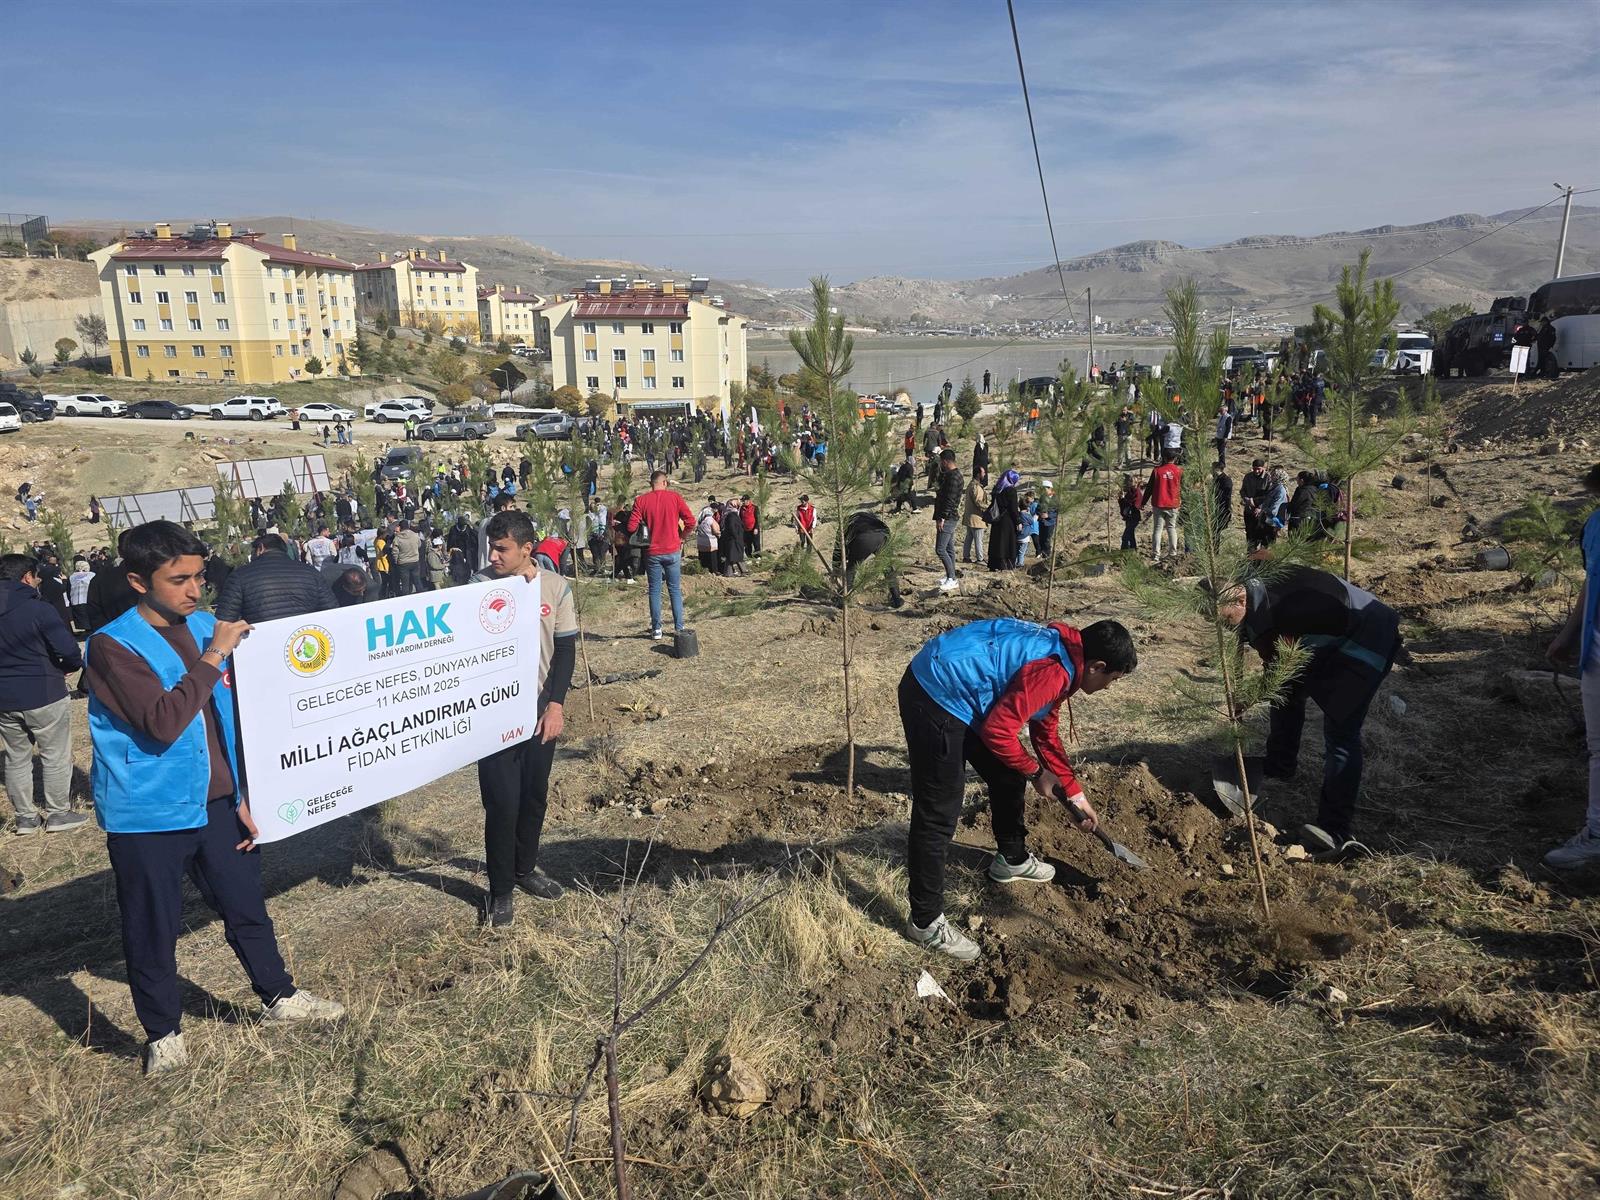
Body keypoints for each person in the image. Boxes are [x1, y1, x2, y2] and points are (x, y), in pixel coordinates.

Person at [85, 520, 344, 1075]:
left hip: (218, 804)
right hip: (148, 812)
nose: (195, 590)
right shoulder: (111, 646)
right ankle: (164, 1033)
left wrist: (247, 792)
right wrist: (211, 658)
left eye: (199, 576)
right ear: (138, 581)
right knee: (152, 925)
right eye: (178, 580)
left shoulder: (208, 626)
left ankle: (279, 996)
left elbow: (233, 718)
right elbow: (162, 722)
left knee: (246, 905)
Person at [898, 617, 1137, 958]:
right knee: (939, 811)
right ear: (1097, 666)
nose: (1110, 687)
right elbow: (998, 731)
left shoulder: (1066, 654)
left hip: (964, 688)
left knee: (1008, 775)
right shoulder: (1054, 669)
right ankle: (924, 922)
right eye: (1112, 680)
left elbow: (1045, 731)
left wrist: (1074, 793)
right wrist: (1037, 772)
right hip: (935, 691)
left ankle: (1011, 859)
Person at [1216, 566, 1402, 860]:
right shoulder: (1255, 592)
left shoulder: (1288, 611)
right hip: (1326, 634)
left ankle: (1335, 828)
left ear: (1240, 601)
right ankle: (1280, 763)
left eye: (1224, 620)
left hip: (1367, 636)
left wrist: (1249, 698)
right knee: (1286, 695)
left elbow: (1282, 667)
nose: (1224, 628)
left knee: (1341, 732)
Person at [472, 509, 578, 926]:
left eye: (502, 549)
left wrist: (555, 705)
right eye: (491, 548)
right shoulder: (476, 587)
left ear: (527, 550)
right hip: (494, 714)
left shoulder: (555, 588)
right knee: (502, 803)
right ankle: (500, 891)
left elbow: (565, 650)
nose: (493, 556)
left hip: (539, 709)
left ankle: (525, 867)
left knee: (534, 796)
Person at [0, 554, 87, 834]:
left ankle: (26, 818)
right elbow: (68, 650)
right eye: (36, 577)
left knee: (16, 757)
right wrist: (69, 667)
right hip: (43, 691)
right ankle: (58, 812)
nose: (38, 582)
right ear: (27, 576)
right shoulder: (38, 609)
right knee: (54, 754)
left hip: (4, 698)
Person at [1543, 463, 1600, 869]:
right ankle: (1596, 833)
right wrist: (1569, 634)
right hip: (1596, 650)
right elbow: (1591, 580)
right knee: (1599, 748)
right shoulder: (1595, 525)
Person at [627, 470, 695, 641]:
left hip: (652, 552)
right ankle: (679, 627)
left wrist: (644, 524)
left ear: (651, 483)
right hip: (672, 550)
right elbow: (691, 522)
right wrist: (682, 538)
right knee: (674, 590)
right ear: (664, 482)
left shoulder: (641, 501)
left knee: (655, 591)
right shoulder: (675, 498)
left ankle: (657, 629)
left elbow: (630, 527)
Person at [215, 533, 336, 625]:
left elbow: (224, 622)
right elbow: (332, 610)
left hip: (261, 647)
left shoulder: (240, 576)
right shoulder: (310, 572)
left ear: (260, 548)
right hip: (305, 640)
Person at [844, 512, 902, 608]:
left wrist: (836, 566)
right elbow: (887, 531)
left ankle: (844, 601)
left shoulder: (847, 523)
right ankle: (897, 600)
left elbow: (839, 547)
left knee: (851, 568)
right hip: (883, 535)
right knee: (887, 567)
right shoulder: (873, 519)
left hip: (864, 538)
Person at [932, 449, 963, 593]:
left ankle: (952, 579)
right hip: (949, 516)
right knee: (949, 548)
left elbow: (949, 500)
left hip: (948, 518)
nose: (940, 465)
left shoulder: (953, 478)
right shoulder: (954, 475)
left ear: (945, 461)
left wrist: (942, 517)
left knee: (940, 549)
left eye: (941, 462)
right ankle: (950, 576)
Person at [1144, 450, 1183, 563]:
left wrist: (1143, 502)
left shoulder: (1157, 471)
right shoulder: (1179, 471)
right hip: (1173, 504)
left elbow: (1149, 488)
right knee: (1171, 528)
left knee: (1157, 529)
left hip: (1159, 504)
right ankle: (1173, 553)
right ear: (1174, 459)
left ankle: (1156, 555)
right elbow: (1183, 488)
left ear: (1164, 458)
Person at [987, 470, 1021, 571]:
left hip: (997, 519)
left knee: (996, 542)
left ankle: (994, 564)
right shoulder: (1011, 490)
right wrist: (1018, 521)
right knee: (1007, 543)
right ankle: (1006, 565)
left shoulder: (997, 489)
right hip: (1008, 521)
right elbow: (1013, 509)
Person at [962, 466, 990, 565]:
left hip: (970, 517)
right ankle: (980, 559)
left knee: (969, 538)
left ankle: (966, 557)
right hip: (977, 518)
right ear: (978, 474)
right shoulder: (976, 487)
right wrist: (989, 508)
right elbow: (978, 502)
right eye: (983, 472)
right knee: (978, 539)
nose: (985, 474)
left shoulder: (971, 484)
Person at [1240, 459, 1270, 550]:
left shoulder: (1268, 478)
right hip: (1248, 510)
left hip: (1261, 513)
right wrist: (1247, 499)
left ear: (1263, 468)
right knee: (1249, 533)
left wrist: (1260, 507)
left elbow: (1269, 496)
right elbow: (1242, 490)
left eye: (1258, 469)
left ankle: (1258, 558)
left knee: (1259, 535)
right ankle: (1249, 555)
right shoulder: (1248, 477)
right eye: (1254, 469)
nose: (1256, 471)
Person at [695, 496, 722, 574]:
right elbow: (715, 530)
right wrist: (719, 534)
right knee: (712, 557)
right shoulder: (710, 519)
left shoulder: (704, 518)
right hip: (710, 541)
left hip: (701, 540)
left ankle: (704, 569)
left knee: (704, 556)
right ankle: (714, 570)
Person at [68, 557, 95, 634]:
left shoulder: (72, 577)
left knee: (83, 620)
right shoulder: (92, 575)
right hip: (88, 600)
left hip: (76, 601)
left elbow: (68, 590)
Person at [1118, 474, 1144, 551]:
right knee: (1131, 535)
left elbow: (1136, 505)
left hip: (1134, 517)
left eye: (1131, 481)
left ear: (1136, 482)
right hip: (1128, 517)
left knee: (1125, 537)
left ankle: (1123, 552)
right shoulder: (1130, 492)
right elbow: (1124, 505)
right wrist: (1121, 499)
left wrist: (1124, 500)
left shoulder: (1137, 493)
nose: (1129, 482)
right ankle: (1133, 550)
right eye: (1129, 480)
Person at [1212, 462, 1234, 532]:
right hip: (1215, 507)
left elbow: (1226, 497)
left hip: (1222, 508)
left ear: (1217, 469)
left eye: (1212, 468)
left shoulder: (1226, 480)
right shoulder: (1215, 478)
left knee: (1219, 530)